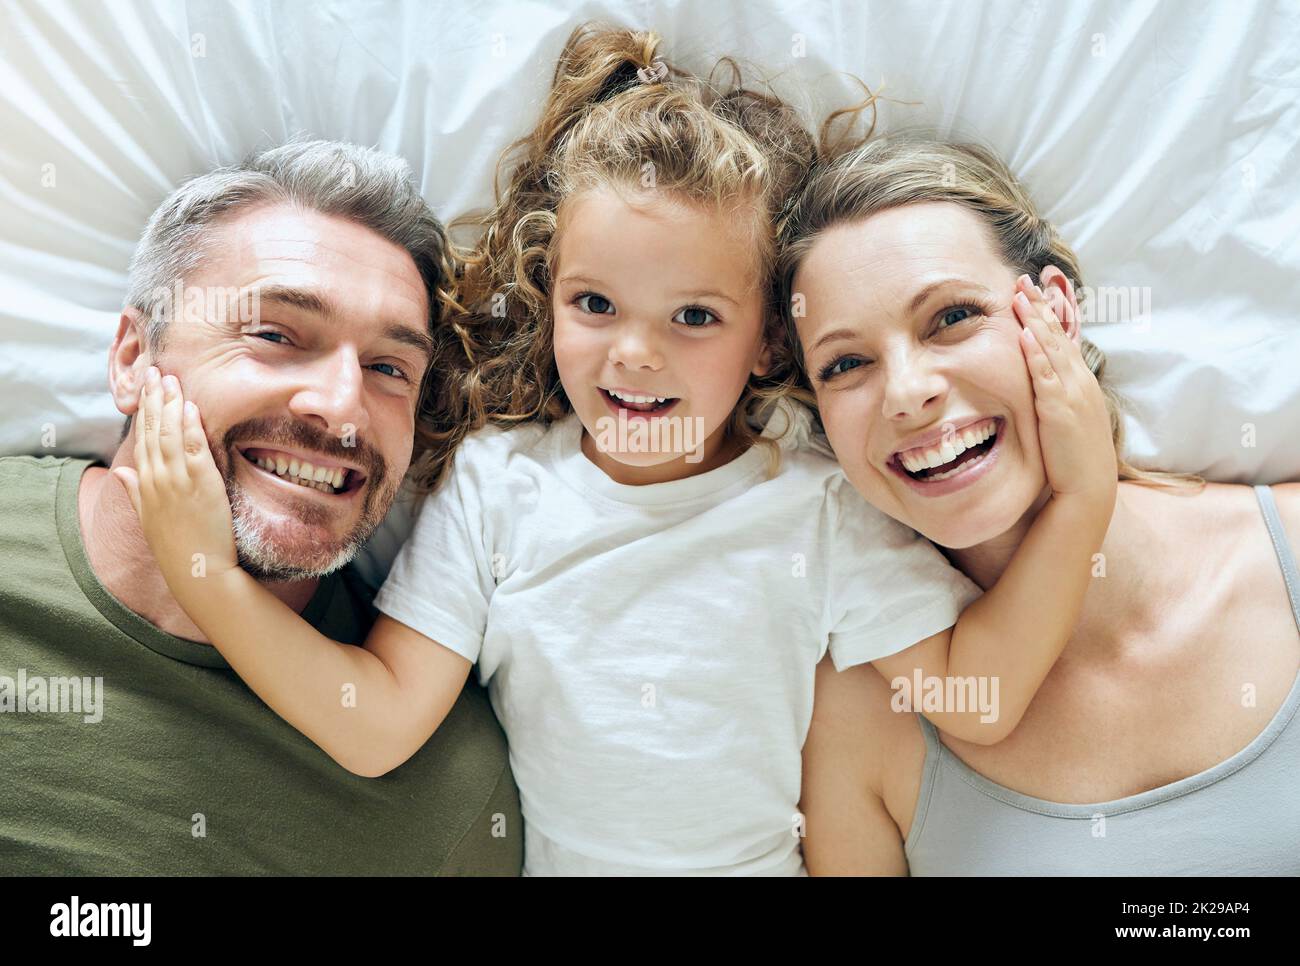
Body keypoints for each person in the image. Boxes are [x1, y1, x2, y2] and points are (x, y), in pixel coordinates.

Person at [115, 25, 1115, 876]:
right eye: (596, 305)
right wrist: (208, 574)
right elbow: (374, 726)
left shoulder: (816, 506)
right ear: (550, 301)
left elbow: (973, 700)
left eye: (693, 315)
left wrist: (1080, 502)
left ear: (771, 339)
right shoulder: (497, 492)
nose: (634, 354)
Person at [781, 134, 1300, 875]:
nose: (905, 392)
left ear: (1055, 312)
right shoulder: (857, 716)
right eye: (847, 364)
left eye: (952, 317)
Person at [0, 138, 521, 875]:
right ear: (133, 360)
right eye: (275, 334)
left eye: (388, 369)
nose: (343, 409)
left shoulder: (440, 789)